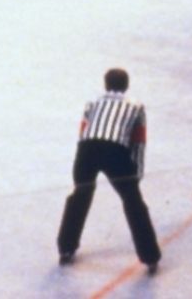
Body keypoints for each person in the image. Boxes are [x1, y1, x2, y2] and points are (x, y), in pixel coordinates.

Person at [55, 68, 161, 272]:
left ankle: (65, 249)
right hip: (115, 152)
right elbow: (138, 143)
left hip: (86, 150)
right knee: (133, 201)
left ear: (105, 85)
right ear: (126, 85)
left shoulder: (92, 103)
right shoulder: (136, 107)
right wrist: (136, 174)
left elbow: (83, 133)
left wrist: (80, 167)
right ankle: (150, 257)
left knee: (80, 195)